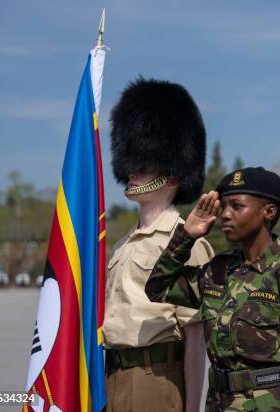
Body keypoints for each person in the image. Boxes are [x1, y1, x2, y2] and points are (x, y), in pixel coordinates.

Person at [145, 167, 280, 411]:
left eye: (237, 206)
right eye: (224, 206)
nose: (225, 214)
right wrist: (186, 237)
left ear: (268, 212)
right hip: (218, 403)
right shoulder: (218, 270)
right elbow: (157, 288)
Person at [104, 77, 213, 412]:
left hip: (156, 378)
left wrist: (192, 407)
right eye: (131, 163)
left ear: (173, 174)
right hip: (112, 375)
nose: (132, 172)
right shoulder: (122, 243)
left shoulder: (187, 242)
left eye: (145, 164)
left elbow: (195, 338)